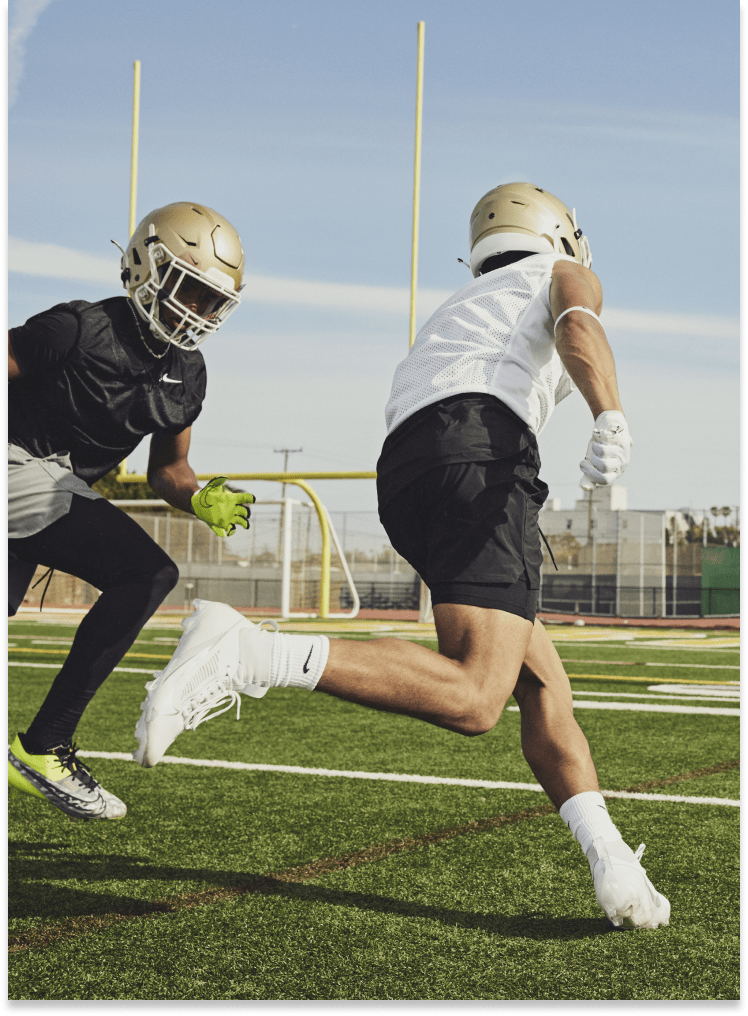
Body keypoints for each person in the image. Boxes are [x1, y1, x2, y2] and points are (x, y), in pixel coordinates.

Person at [133, 183, 669, 929]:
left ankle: (610, 855)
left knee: (540, 682)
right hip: (483, 453)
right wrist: (610, 413)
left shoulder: (466, 302)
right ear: (559, 235)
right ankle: (252, 651)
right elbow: (580, 325)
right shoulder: (557, 272)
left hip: (412, 468)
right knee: (478, 695)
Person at [7, 202, 256, 821]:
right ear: (145, 266)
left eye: (208, 301)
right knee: (144, 572)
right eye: (186, 290)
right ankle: (45, 745)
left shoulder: (188, 372)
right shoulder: (77, 327)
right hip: (19, 467)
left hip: (46, 494)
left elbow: (168, 472)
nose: (194, 311)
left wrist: (197, 496)